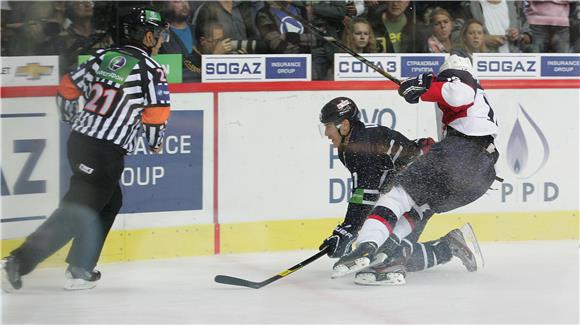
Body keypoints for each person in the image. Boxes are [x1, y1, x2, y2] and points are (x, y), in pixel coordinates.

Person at [1, 7, 171, 292]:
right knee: (76, 213)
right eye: (161, 35)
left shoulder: (101, 57)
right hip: (104, 153)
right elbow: (156, 114)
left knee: (110, 202)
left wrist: (70, 119)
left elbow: (68, 87)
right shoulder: (151, 69)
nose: (163, 41)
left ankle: (81, 267)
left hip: (80, 143)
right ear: (149, 35)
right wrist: (155, 142)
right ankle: (17, 262)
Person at [332, 52, 499, 285]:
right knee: (419, 209)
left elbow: (459, 92)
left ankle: (367, 246)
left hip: (460, 155)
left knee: (396, 195)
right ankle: (389, 250)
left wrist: (425, 86)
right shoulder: (479, 102)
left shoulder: (457, 73)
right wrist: (422, 87)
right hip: (482, 174)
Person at [318, 96, 484, 286]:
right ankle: (449, 246)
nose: (326, 132)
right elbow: (371, 190)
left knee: (387, 255)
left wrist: (348, 230)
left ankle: (418, 255)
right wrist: (348, 230)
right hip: (420, 185)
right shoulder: (353, 142)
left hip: (426, 183)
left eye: (328, 126)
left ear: (344, 125)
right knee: (386, 251)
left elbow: (366, 194)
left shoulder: (359, 144)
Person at [468, 0, 533, 53]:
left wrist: (519, 36)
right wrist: (483, 39)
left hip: (514, 63)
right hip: (484, 63)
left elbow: (529, 36)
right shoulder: (469, 6)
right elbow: (458, 36)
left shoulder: (516, 4)